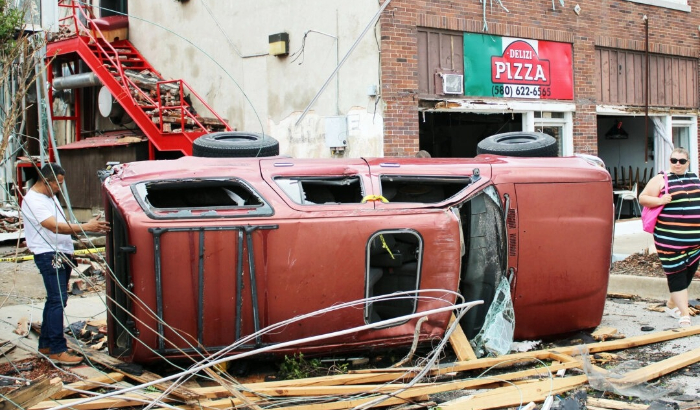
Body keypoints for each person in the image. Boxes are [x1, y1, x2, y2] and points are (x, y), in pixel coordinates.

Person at [20, 163, 110, 365]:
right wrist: (86, 226)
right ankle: (56, 349)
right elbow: (53, 226)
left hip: (59, 253)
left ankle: (46, 344)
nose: (60, 188)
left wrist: (81, 234)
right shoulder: (34, 200)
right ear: (46, 181)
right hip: (49, 255)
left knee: (55, 300)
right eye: (58, 184)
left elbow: (60, 226)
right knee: (57, 301)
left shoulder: (48, 198)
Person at [639, 148, 699, 328]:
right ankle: (684, 314)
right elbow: (643, 198)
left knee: (689, 272)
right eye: (674, 160)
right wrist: (660, 200)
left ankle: (672, 305)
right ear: (669, 161)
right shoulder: (661, 179)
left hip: (695, 240)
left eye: (681, 161)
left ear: (688, 162)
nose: (677, 164)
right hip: (669, 237)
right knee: (676, 272)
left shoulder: (695, 178)